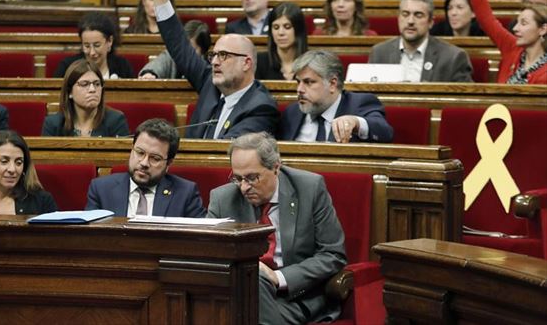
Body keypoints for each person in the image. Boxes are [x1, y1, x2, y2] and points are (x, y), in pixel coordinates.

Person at [207, 132, 346, 324]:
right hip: (240, 293)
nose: (243, 188)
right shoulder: (222, 199)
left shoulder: (309, 188)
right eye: (237, 178)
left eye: (252, 178)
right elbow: (209, 255)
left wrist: (278, 277)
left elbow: (332, 254)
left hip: (294, 297)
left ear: (276, 167)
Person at [149, 0, 280, 139]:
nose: (215, 62)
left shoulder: (261, 107)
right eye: (214, 55)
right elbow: (179, 44)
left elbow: (226, 151)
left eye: (224, 55)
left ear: (246, 63)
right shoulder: (210, 84)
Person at [86, 118, 206, 218]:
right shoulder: (101, 189)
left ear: (168, 163)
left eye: (155, 158)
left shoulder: (185, 194)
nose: (144, 163)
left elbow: (200, 241)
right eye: (140, 152)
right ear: (132, 149)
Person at [279, 50, 393, 143]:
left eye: (309, 82)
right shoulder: (292, 112)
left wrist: (356, 123)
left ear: (332, 84)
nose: (299, 89)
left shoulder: (359, 103)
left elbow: (384, 132)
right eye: (298, 82)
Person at [368, 0, 474, 82]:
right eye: (405, 14)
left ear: (431, 22)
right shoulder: (379, 53)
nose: (410, 21)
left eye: (418, 15)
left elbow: (464, 103)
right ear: (398, 18)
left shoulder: (452, 57)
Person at [469, 0, 547, 84]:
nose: (515, 28)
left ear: (543, 29)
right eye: (517, 22)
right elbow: (486, 18)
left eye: (524, 23)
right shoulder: (512, 48)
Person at [42, 59, 129, 137]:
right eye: (84, 84)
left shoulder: (116, 121)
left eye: (97, 84)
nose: (92, 89)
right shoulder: (53, 124)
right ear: (70, 92)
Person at [53, 12, 134, 79]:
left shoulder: (122, 66)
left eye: (97, 45)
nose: (92, 53)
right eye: (87, 46)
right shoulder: (68, 67)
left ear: (109, 41)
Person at [138, 20, 211, 79]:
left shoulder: (209, 65)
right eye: (183, 47)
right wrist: (149, 74)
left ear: (203, 51)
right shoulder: (173, 54)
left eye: (191, 50)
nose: (186, 53)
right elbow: (158, 64)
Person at [256, 2, 308, 80]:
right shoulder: (259, 62)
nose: (280, 33)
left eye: (287, 27)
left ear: (298, 30)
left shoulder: (312, 63)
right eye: (276, 27)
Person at [313, 0, 378, 36]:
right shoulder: (319, 34)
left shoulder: (369, 36)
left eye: (347, 0)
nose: (340, 4)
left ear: (356, 6)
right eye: (335, 0)